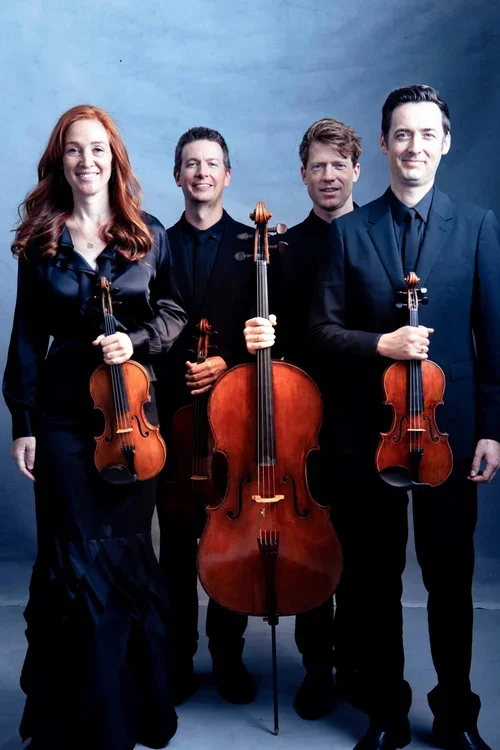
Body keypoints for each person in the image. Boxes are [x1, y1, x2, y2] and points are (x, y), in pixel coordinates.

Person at [308, 85, 500, 750]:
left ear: (445, 143)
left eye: (426, 134)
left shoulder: (477, 226)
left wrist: (493, 430)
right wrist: (380, 345)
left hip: (451, 432)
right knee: (373, 579)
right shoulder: (349, 232)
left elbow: (493, 340)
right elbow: (321, 332)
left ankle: (456, 715)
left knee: (450, 577)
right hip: (370, 434)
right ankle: (386, 712)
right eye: (402, 134)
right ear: (386, 144)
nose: (414, 146)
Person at [3, 105, 187, 750]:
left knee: (127, 553)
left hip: (131, 415)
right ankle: (73, 721)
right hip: (60, 417)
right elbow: (28, 334)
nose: (87, 161)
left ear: (115, 159)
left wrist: (135, 341)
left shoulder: (147, 233)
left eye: (98, 150)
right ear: (61, 160)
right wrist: (22, 420)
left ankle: (130, 714)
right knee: (72, 557)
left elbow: (173, 312)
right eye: (75, 150)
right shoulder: (41, 240)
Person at [243, 118, 362, 720]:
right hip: (301, 426)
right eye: (318, 166)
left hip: (367, 420)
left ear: (356, 170)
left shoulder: (375, 233)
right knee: (310, 547)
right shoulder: (284, 250)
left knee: (364, 551)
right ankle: (318, 669)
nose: (328, 176)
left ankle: (361, 667)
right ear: (303, 175)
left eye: (338, 165)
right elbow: (278, 341)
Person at [156, 127, 257, 706]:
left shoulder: (254, 245)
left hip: (231, 419)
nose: (201, 173)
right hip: (171, 416)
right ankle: (176, 658)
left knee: (229, 538)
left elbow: (271, 331)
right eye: (191, 164)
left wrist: (226, 361)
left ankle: (228, 656)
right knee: (175, 545)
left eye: (212, 164)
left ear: (227, 175)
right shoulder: (155, 243)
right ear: (178, 176)